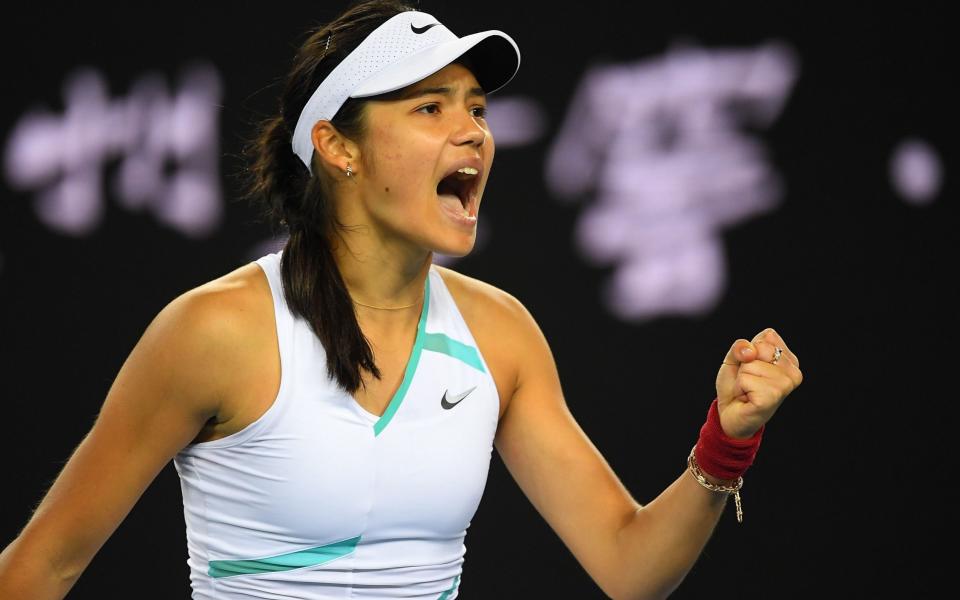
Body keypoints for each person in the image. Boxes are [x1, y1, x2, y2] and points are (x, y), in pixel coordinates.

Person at [0, 1, 803, 598]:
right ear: (338, 146)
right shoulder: (214, 331)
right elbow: (41, 568)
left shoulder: (502, 334)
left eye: (478, 110)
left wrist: (724, 444)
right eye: (430, 108)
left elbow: (630, 567)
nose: (475, 133)